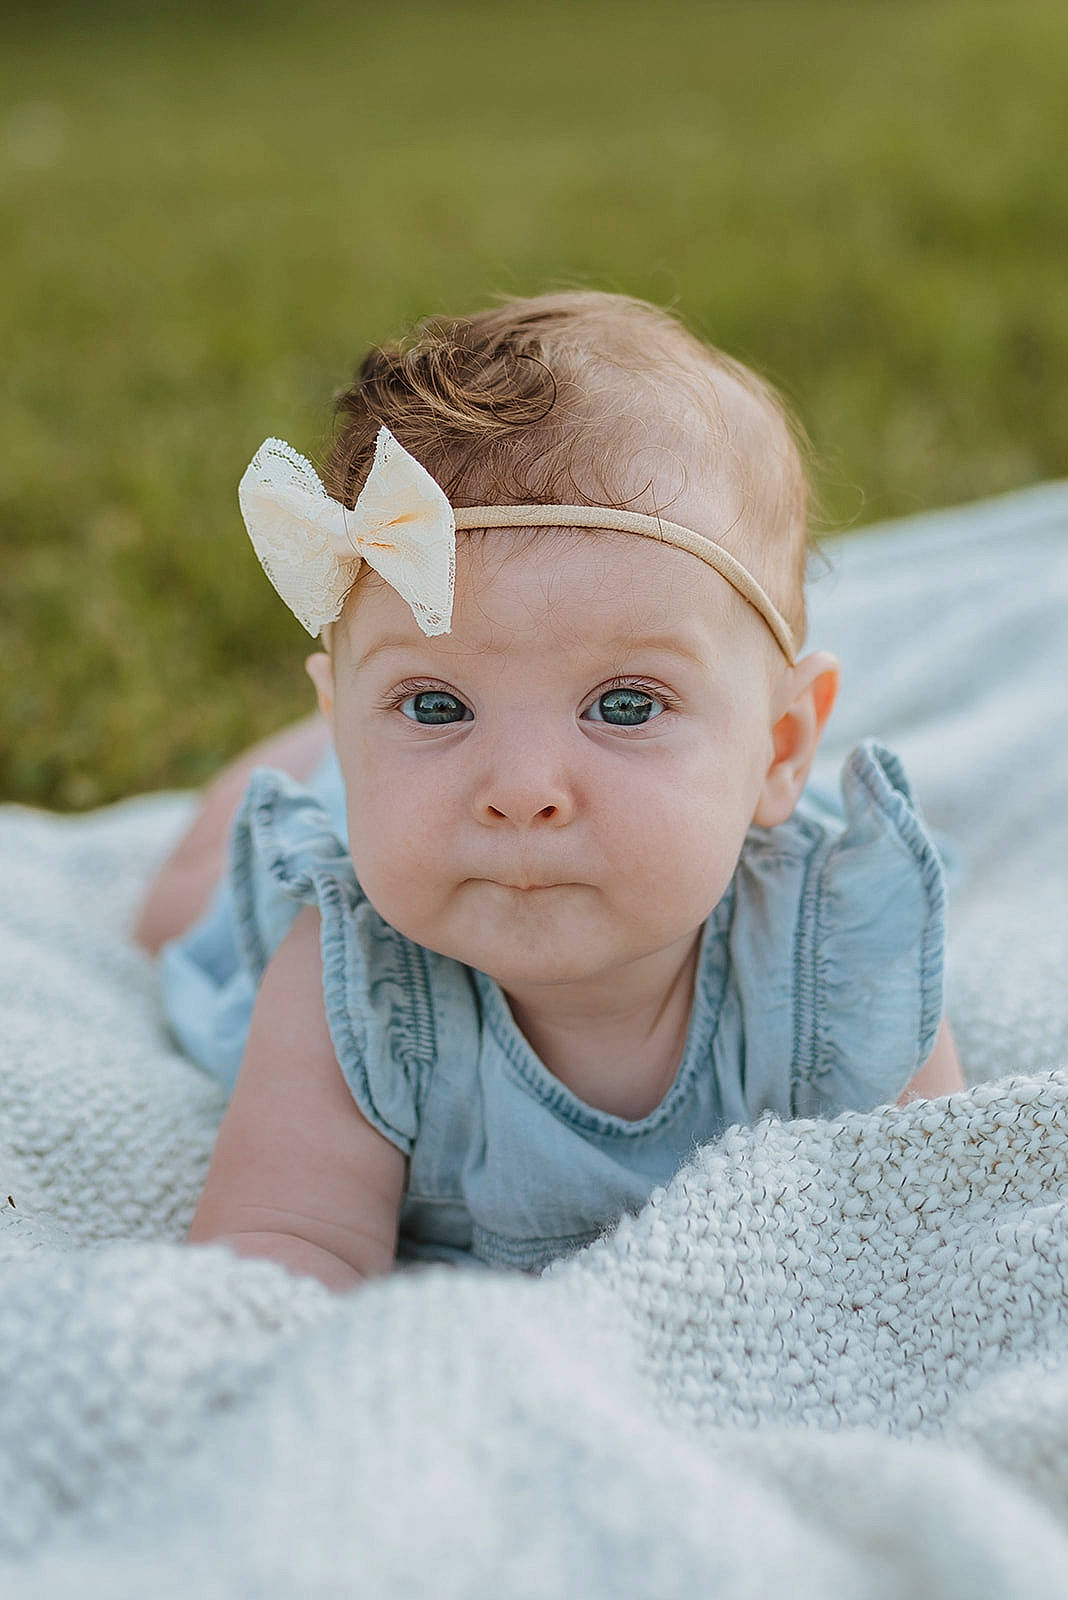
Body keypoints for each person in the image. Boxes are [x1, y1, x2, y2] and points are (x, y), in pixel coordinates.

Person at [136, 289, 964, 1292]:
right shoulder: (351, 984)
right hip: (324, 864)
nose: (522, 791)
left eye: (625, 705)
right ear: (355, 735)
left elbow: (943, 1226)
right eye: (434, 704)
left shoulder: (839, 959)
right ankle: (288, 766)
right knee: (175, 916)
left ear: (780, 749)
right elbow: (279, 1258)